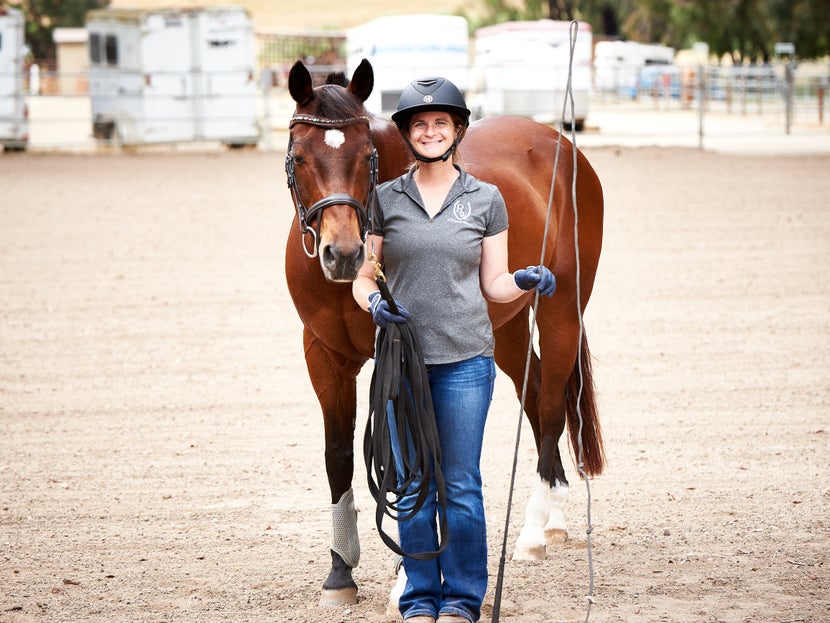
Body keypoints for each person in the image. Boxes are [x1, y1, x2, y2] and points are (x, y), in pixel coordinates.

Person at [352, 77, 556, 623]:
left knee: (461, 483)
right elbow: (363, 276)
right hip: (402, 364)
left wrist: (526, 279)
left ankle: (463, 598)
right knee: (414, 481)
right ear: (408, 134)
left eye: (441, 122)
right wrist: (373, 303)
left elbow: (494, 284)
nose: (430, 130)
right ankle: (421, 598)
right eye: (419, 123)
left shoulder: (485, 199)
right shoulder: (384, 199)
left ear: (457, 129)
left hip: (467, 360)